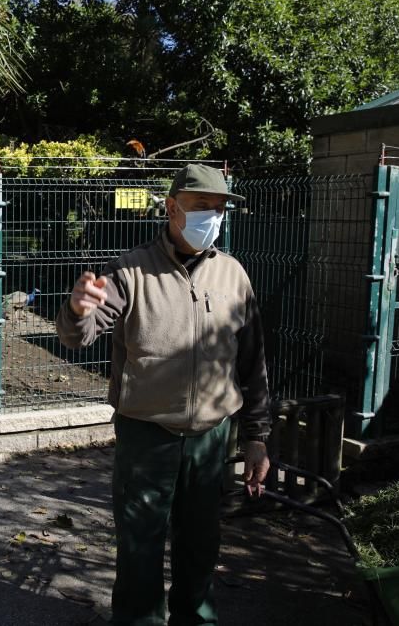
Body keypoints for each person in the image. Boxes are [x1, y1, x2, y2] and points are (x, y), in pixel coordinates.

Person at [56, 163, 272, 626]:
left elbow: (252, 364)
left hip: (212, 438)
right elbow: (82, 335)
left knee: (201, 544)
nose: (212, 217)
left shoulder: (234, 275)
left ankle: (196, 618)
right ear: (173, 208)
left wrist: (257, 435)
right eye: (201, 208)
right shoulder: (130, 271)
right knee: (140, 545)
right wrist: (77, 311)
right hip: (146, 437)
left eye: (219, 209)